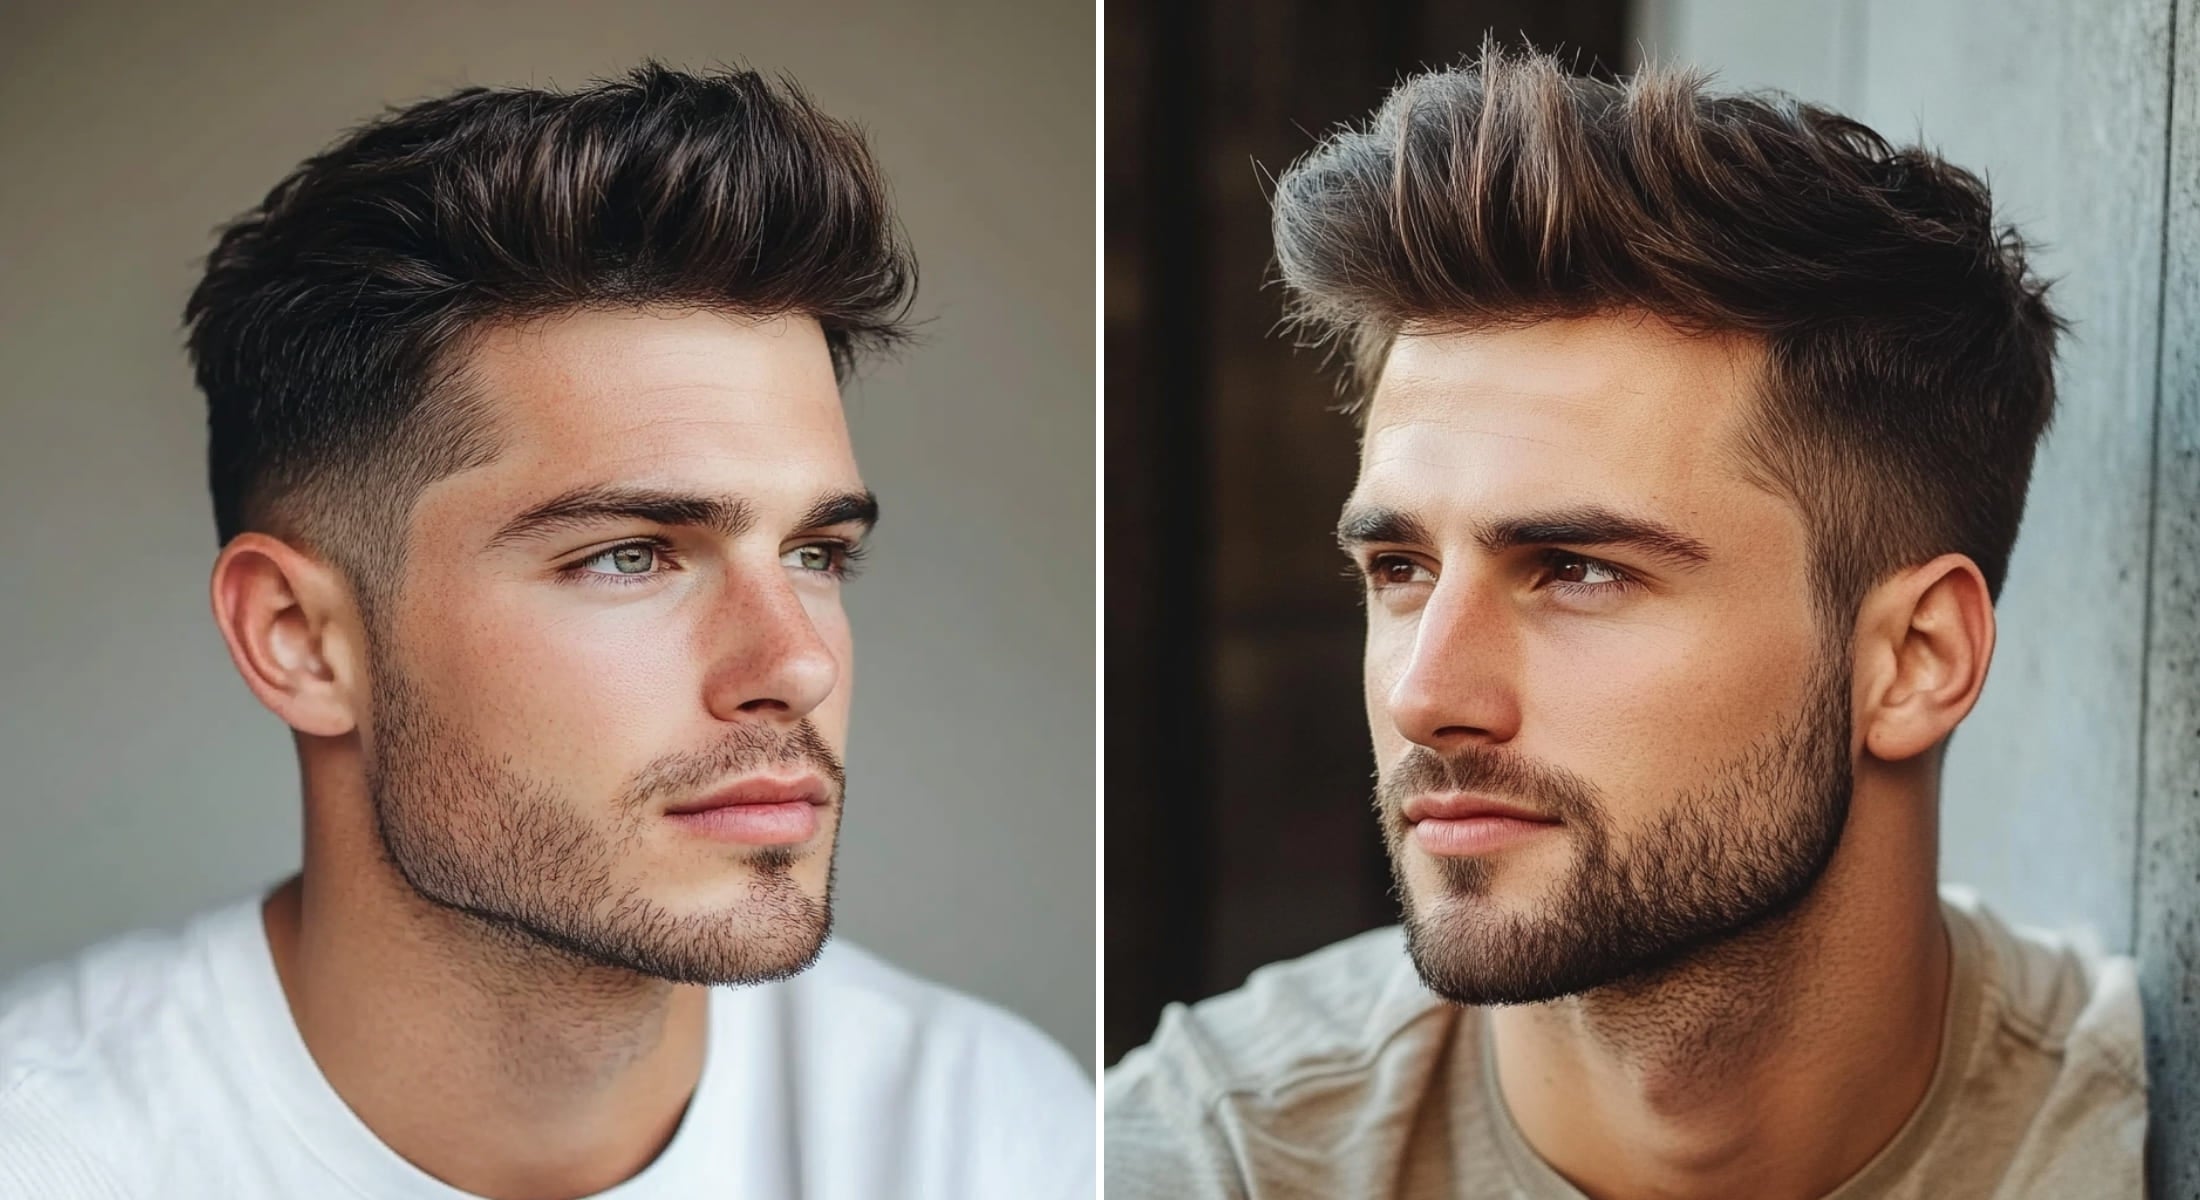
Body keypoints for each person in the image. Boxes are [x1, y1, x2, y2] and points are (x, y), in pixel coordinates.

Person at [0, 64, 1091, 1199]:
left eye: (816, 555)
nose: (798, 663)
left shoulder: (983, 1131)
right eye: (629, 555)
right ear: (301, 639)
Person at [1106, 46, 2145, 1200]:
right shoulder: (1202, 1157)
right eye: (1399, 567)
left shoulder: (2126, 1143)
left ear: (1912, 659)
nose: (1424, 695)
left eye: (1575, 571)